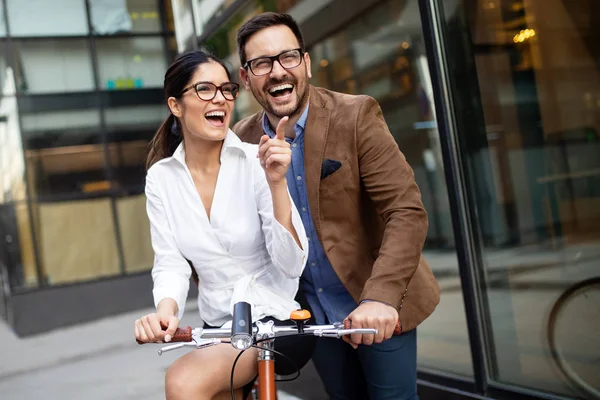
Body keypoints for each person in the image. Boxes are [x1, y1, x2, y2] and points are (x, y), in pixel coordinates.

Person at [233, 12, 441, 400]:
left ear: (306, 63)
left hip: (376, 300)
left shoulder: (356, 114)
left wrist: (380, 297)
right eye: (261, 63)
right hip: (312, 316)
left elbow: (405, 211)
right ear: (246, 78)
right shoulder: (238, 141)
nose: (277, 72)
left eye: (288, 57)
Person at [134, 49, 312, 400]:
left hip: (279, 317)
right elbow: (169, 262)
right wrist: (165, 314)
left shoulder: (254, 160)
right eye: (205, 89)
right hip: (218, 326)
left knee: (184, 380)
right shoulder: (161, 178)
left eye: (226, 89)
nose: (220, 98)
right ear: (176, 105)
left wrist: (277, 182)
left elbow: (292, 265)